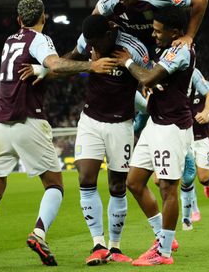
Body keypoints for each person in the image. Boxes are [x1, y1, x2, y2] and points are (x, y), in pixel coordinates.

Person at [0, 0, 116, 269]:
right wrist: (90, 66)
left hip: (0, 124)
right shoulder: (39, 39)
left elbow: (44, 69)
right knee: (55, 185)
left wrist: (43, 69)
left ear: (18, 19)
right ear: (43, 17)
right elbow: (56, 64)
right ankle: (39, 233)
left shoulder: (9, 41)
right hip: (28, 120)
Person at [62, 15, 150, 265]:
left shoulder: (133, 47)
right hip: (90, 120)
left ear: (110, 32)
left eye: (98, 43)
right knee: (86, 178)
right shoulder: (89, 45)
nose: (95, 49)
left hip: (121, 124)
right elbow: (67, 62)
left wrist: (130, 64)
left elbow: (148, 74)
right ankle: (98, 244)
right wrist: (48, 69)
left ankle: (115, 247)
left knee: (117, 187)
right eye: (91, 45)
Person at [113, 6, 195, 266]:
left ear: (175, 32)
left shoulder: (182, 50)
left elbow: (148, 78)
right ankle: (163, 237)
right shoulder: (166, 47)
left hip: (172, 126)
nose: (154, 34)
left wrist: (127, 61)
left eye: (159, 31)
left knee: (167, 187)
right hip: (155, 123)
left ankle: (164, 253)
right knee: (134, 181)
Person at [180, 69, 209, 230]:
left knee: (203, 177)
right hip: (184, 138)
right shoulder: (178, 86)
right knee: (187, 177)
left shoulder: (205, 87)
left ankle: (208, 183)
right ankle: (194, 210)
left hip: (202, 138)